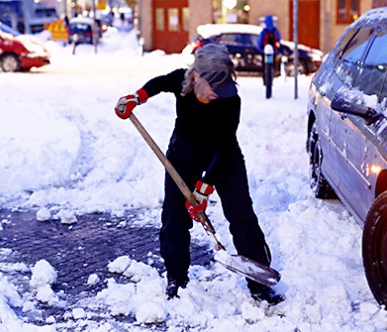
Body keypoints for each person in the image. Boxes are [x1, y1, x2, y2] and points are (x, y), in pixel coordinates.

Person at [113, 44, 284, 305]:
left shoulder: (230, 100)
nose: (219, 93)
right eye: (214, 86)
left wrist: (204, 189)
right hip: (185, 150)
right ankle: (176, 277)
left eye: (224, 86)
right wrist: (136, 97)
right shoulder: (181, 79)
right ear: (196, 76)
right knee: (174, 215)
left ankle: (259, 282)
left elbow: (225, 147)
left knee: (242, 215)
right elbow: (159, 83)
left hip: (222, 153)